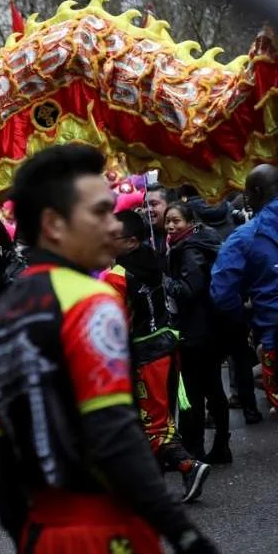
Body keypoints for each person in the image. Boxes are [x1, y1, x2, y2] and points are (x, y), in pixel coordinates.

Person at [0, 144, 216, 553]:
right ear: (54, 224)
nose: (113, 226)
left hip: (43, 533)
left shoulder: (3, 318)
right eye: (100, 212)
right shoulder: (91, 300)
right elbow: (115, 433)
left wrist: (28, 536)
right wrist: (184, 533)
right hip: (107, 530)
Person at [101, 211, 210, 500]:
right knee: (159, 421)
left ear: (132, 241)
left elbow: (114, 326)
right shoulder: (154, 259)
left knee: (151, 424)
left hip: (146, 356)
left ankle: (188, 466)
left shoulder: (117, 276)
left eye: (112, 237)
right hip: (168, 347)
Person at [163, 203, 229, 463]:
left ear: (189, 222)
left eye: (176, 221)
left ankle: (196, 449)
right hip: (211, 328)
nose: (170, 226)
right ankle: (221, 446)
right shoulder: (198, 241)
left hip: (196, 331)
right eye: (168, 221)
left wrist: (166, 282)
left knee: (194, 392)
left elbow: (191, 289)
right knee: (213, 388)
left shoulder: (189, 249)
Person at [212, 163, 278, 412]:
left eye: (247, 192)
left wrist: (247, 316)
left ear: (258, 192)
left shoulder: (244, 237)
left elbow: (221, 294)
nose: (245, 199)